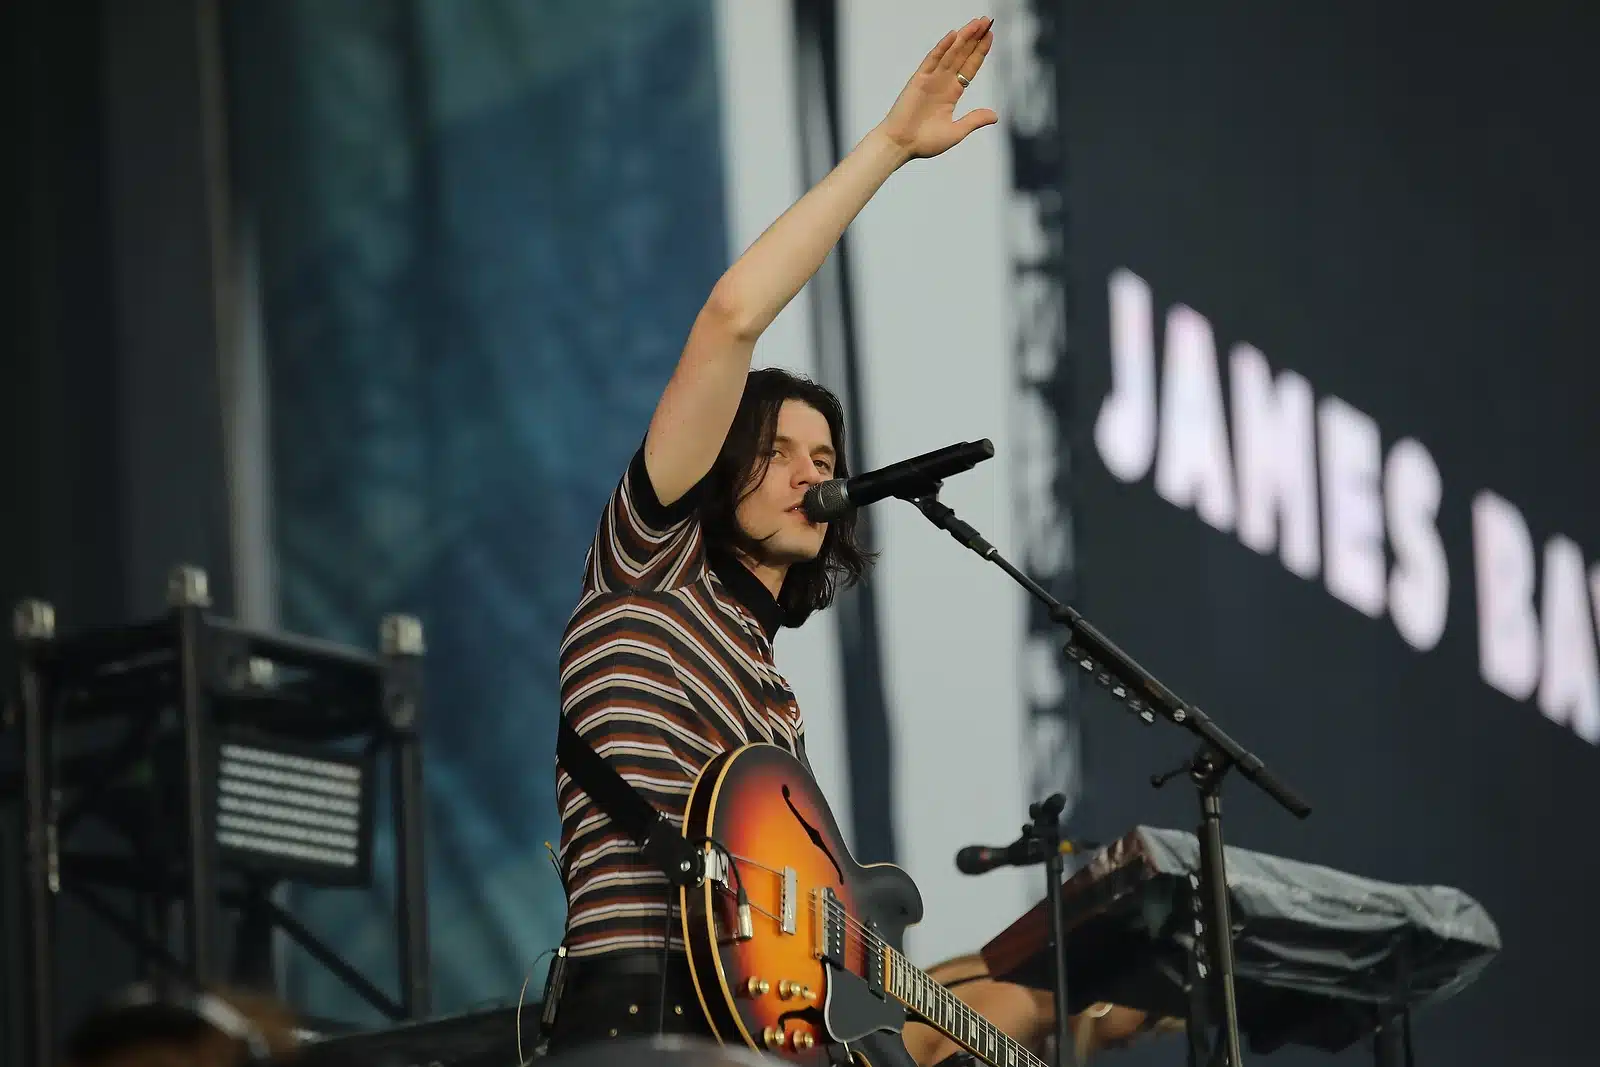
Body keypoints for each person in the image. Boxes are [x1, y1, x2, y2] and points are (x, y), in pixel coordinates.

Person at [546, 14, 1000, 1054]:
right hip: (640, 1021)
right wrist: (890, 145)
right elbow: (732, 316)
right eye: (780, 450)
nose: (812, 474)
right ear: (718, 467)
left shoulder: (770, 699)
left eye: (827, 458)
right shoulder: (650, 565)